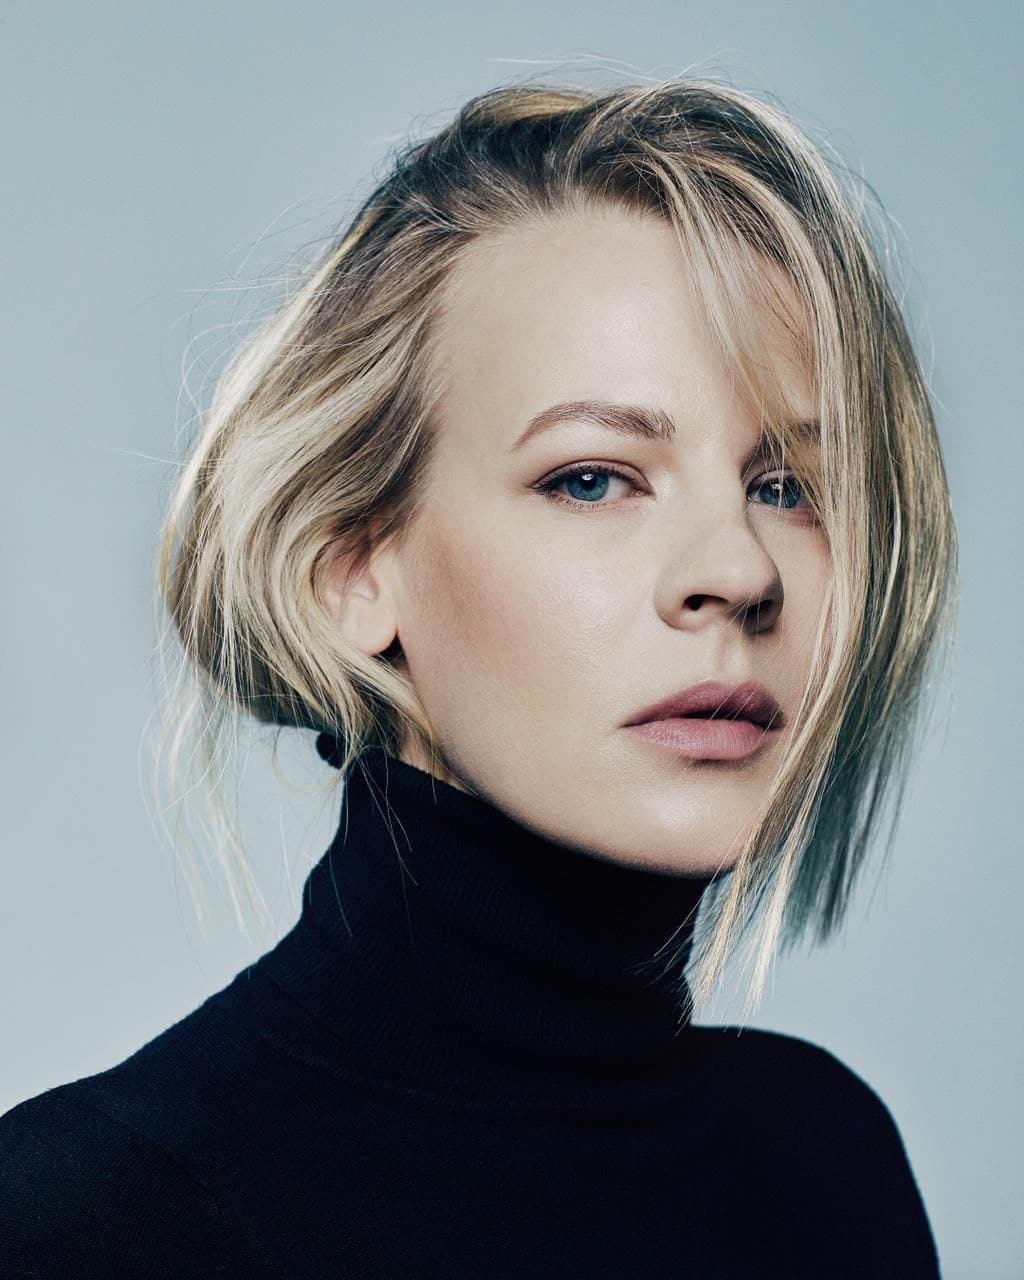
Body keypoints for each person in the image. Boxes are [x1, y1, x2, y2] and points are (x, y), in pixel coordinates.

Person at [0, 75, 955, 1277]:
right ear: (352, 568)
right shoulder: (88, 1220)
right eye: (591, 478)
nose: (737, 569)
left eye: (787, 487)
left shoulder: (822, 1164)